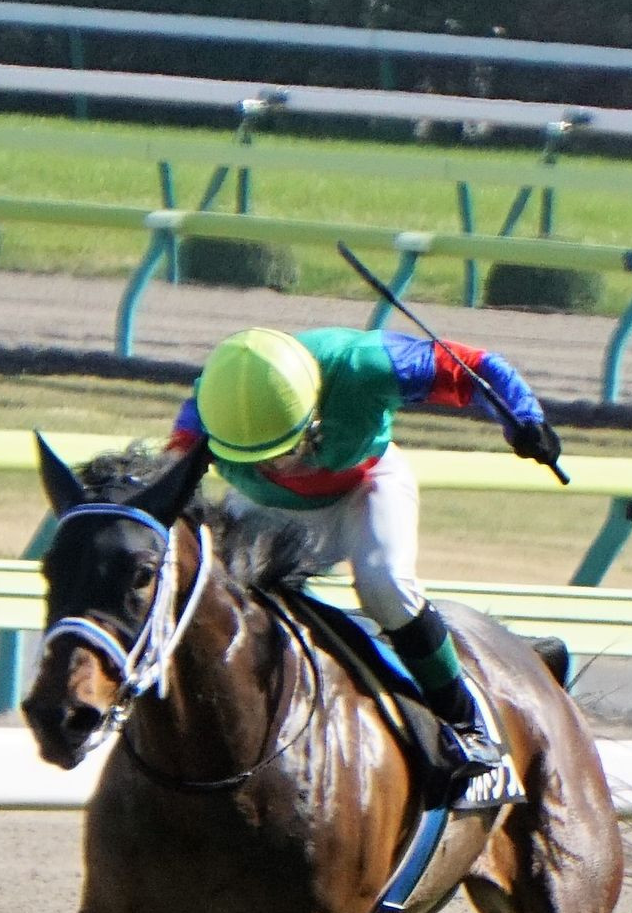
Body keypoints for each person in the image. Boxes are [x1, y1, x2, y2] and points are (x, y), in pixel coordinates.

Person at [169, 323, 559, 793]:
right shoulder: (207, 412)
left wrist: (524, 418)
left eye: (288, 448)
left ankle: (464, 723)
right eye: (261, 458)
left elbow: (477, 367)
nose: (279, 466)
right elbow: (166, 482)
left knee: (385, 584)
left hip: (366, 485)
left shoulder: (365, 364)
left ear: (314, 411)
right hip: (266, 507)